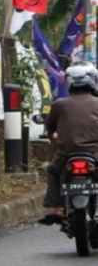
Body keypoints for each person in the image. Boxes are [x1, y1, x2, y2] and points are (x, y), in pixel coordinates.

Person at [39, 61, 98, 225]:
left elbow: (49, 129)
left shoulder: (59, 104)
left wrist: (53, 137)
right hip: (95, 154)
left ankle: (57, 208)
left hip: (67, 155)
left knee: (53, 171)